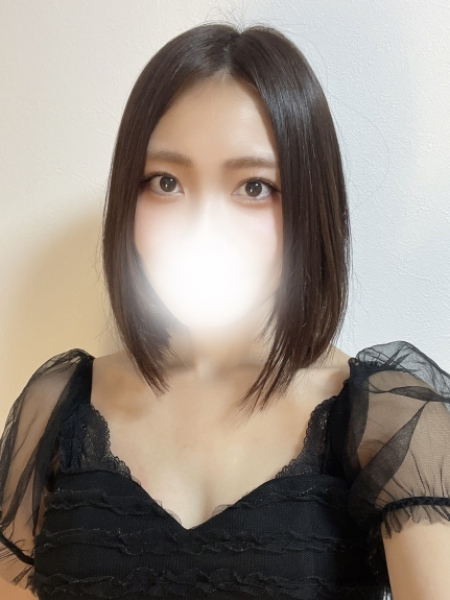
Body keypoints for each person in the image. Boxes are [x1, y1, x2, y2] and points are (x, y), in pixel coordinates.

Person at [0, 22, 449, 600]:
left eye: (254, 187)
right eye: (166, 182)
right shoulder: (57, 408)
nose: (203, 226)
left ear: (309, 205)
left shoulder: (389, 423)